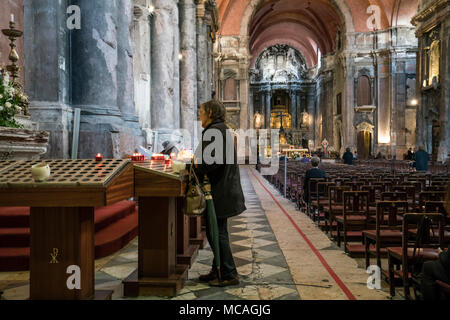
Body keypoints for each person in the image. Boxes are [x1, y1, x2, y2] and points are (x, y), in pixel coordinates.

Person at [195, 100, 246, 287]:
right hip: (224, 188)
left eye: (201, 111)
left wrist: (196, 165)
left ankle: (229, 273)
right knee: (216, 231)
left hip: (220, 190)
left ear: (209, 112)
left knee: (218, 232)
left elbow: (212, 162)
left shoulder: (214, 131)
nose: (199, 114)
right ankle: (218, 268)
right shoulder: (220, 129)